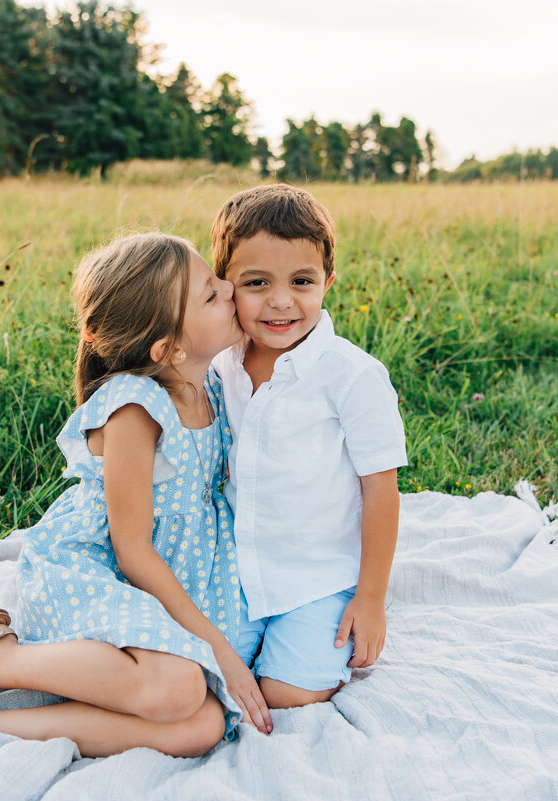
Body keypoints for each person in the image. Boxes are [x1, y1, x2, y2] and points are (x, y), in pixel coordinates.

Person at [0, 232, 272, 761]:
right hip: (101, 567)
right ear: (170, 348)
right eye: (211, 293)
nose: (230, 288)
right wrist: (219, 650)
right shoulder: (137, 409)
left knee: (201, 727)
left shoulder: (212, 385)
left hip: (175, 573)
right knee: (181, 689)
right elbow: (132, 549)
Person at [209, 184, 407, 709]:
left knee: (286, 693)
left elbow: (381, 491)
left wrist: (371, 599)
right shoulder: (219, 364)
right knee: (201, 676)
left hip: (319, 574)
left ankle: (304, 642)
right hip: (234, 567)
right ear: (225, 286)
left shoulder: (352, 375)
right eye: (256, 283)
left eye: (302, 281)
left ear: (328, 283)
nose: (281, 300)